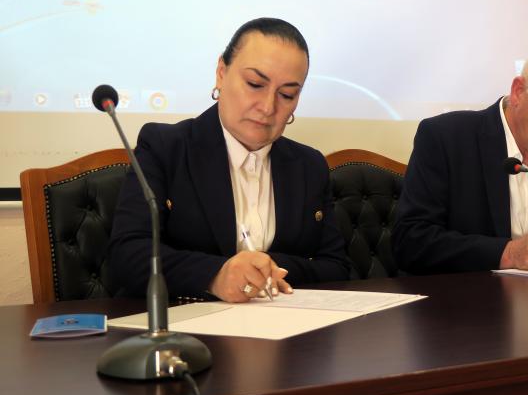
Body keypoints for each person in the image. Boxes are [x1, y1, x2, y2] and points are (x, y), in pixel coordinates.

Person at [109, 18, 350, 303]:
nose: (268, 107)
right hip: (184, 324)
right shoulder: (165, 147)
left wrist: (265, 268)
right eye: (255, 84)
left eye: (287, 94)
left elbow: (336, 267)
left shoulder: (309, 165)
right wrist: (215, 275)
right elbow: (127, 255)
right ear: (221, 73)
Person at [392, 47, 528, 275]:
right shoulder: (445, 139)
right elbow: (410, 243)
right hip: (466, 295)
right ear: (518, 92)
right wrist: (509, 253)